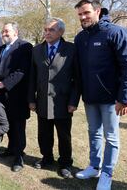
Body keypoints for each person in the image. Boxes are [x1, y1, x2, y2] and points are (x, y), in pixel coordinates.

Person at [74, 0, 127, 190]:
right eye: (80, 14)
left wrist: (125, 98)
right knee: (93, 132)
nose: (83, 17)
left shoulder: (115, 32)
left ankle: (107, 173)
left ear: (98, 11)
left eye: (86, 13)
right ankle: (94, 166)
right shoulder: (80, 38)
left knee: (111, 137)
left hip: (112, 99)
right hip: (90, 97)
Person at [28, 18, 80, 178]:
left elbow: (77, 79)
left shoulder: (71, 49)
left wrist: (73, 101)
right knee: (44, 133)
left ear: (61, 32)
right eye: (45, 30)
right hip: (42, 100)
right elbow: (32, 76)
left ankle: (65, 163)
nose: (47, 33)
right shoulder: (36, 50)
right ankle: (47, 157)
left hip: (63, 102)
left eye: (51, 30)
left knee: (64, 135)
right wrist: (31, 99)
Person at [0, 22, 32, 172]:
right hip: (1, 96)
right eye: (2, 31)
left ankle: (19, 157)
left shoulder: (24, 46)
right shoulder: (1, 49)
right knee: (6, 123)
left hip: (16, 94)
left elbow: (21, 71)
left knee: (18, 126)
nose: (4, 34)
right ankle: (11, 149)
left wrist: (3, 84)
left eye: (7, 31)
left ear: (16, 32)